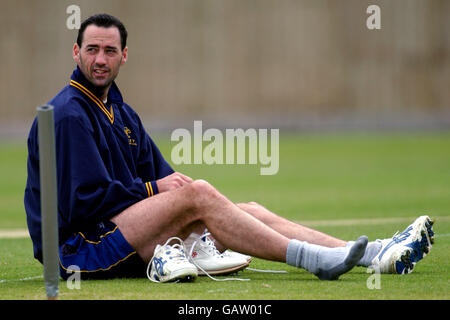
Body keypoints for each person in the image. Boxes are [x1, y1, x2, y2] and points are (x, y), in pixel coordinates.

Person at [24, 14, 434, 283]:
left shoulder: (121, 111)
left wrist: (173, 195)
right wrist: (162, 194)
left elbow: (164, 178)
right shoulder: (69, 114)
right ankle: (315, 261)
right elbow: (86, 201)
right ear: (76, 52)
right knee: (200, 194)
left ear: (124, 56)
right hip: (81, 250)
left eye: (109, 51)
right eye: (91, 49)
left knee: (246, 211)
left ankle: (375, 255)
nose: (100, 59)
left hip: (123, 233)